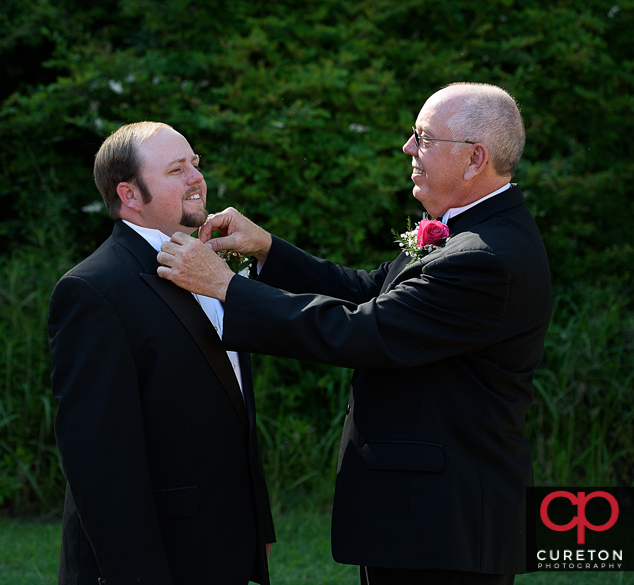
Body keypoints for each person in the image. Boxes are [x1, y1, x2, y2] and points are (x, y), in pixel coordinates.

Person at [156, 83, 552, 585]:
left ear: (475, 159)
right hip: (426, 521)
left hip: (444, 529)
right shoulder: (470, 231)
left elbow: (365, 331)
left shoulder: (485, 259)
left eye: (423, 138)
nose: (408, 148)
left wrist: (227, 289)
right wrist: (268, 251)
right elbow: (370, 292)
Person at [47, 121, 275, 585]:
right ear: (130, 195)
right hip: (158, 559)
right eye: (176, 169)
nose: (196, 177)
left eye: (195, 163)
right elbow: (100, 462)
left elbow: (232, 413)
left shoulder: (209, 267)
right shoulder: (94, 290)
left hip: (222, 546)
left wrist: (256, 528)